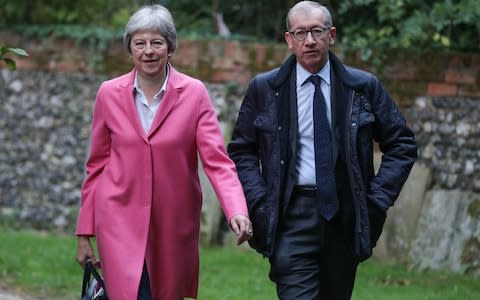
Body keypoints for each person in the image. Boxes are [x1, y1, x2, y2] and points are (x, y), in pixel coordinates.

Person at [228, 1, 417, 299]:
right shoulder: (265, 89)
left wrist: (377, 199)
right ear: (289, 40)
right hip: (290, 216)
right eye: (301, 33)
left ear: (332, 35)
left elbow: (402, 144)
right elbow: (242, 150)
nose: (310, 41)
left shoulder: (362, 87)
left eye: (317, 31)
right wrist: (259, 200)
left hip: (345, 216)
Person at [75, 4, 252, 300]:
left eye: (157, 42)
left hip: (173, 223)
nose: (148, 51)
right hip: (117, 219)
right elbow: (97, 166)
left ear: (170, 47)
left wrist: (237, 210)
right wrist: (84, 234)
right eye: (139, 43)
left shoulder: (195, 93)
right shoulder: (108, 93)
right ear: (129, 49)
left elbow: (217, 163)